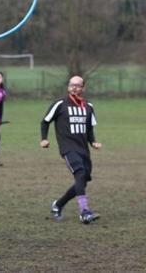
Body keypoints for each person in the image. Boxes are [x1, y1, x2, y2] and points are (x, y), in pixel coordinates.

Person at [40, 76, 102, 224]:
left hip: (83, 149)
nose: (74, 88)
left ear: (83, 88)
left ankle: (58, 205)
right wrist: (44, 138)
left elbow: (89, 129)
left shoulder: (89, 106)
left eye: (78, 85)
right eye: (72, 85)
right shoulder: (60, 104)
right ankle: (84, 212)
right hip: (68, 148)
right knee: (80, 173)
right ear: (68, 87)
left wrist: (93, 141)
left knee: (83, 180)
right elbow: (45, 121)